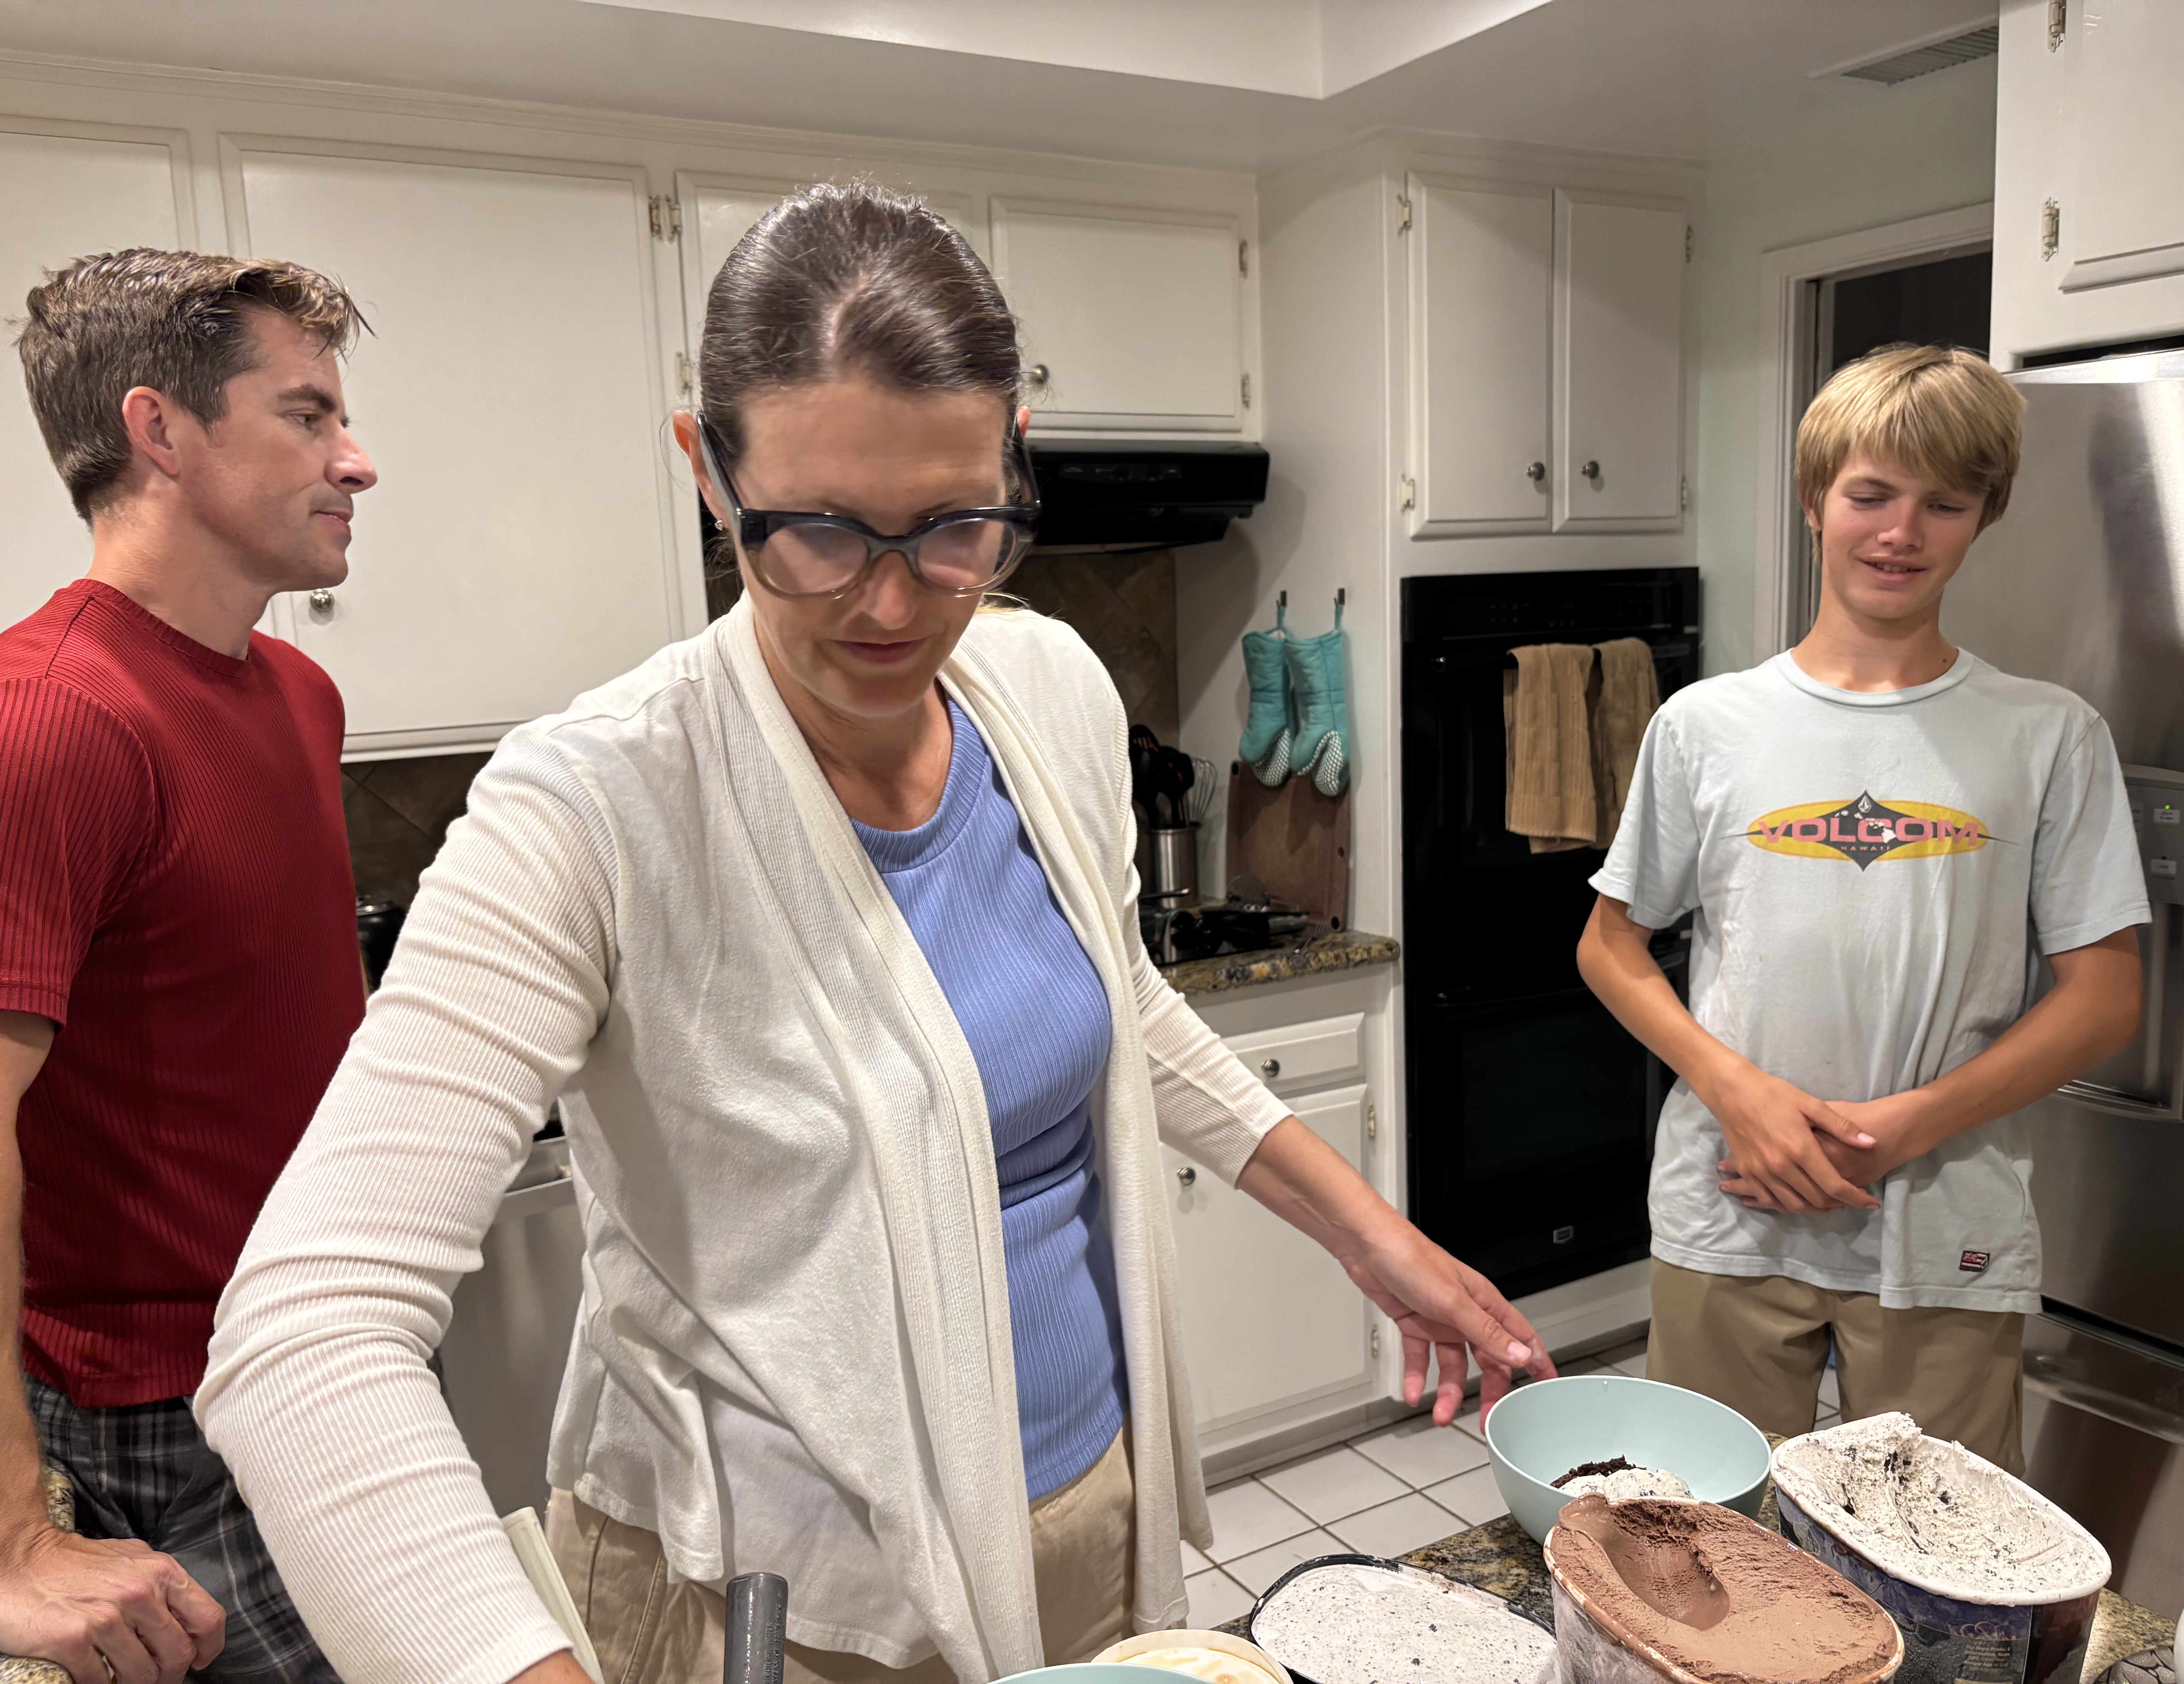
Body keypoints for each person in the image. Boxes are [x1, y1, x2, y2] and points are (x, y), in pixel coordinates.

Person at [197, 182, 1558, 1684]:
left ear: (1013, 467)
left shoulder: (1049, 689)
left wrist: (1376, 1237)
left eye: (956, 525)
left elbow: (1122, 1009)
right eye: (821, 533)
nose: (894, 603)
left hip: (1084, 1525)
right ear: (710, 476)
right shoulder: (591, 804)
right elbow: (302, 1340)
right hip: (783, 1605)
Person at [1578, 344, 2149, 1471]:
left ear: (1986, 515)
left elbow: (2106, 995)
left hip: (1947, 1221)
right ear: (1814, 498)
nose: (1902, 531)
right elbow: (1611, 948)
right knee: (1708, 1540)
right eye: (1872, 493)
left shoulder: (2050, 734)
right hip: (1730, 1207)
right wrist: (1738, 1093)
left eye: (1945, 502)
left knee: (1938, 1557)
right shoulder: (1706, 725)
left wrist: (1907, 1126)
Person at [0, 250, 376, 1684]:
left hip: (335, 1346)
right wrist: (3, 1546)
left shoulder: (297, 691)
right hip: (177, 1411)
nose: (355, 461)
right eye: (306, 416)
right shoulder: (46, 724)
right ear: (161, 430)